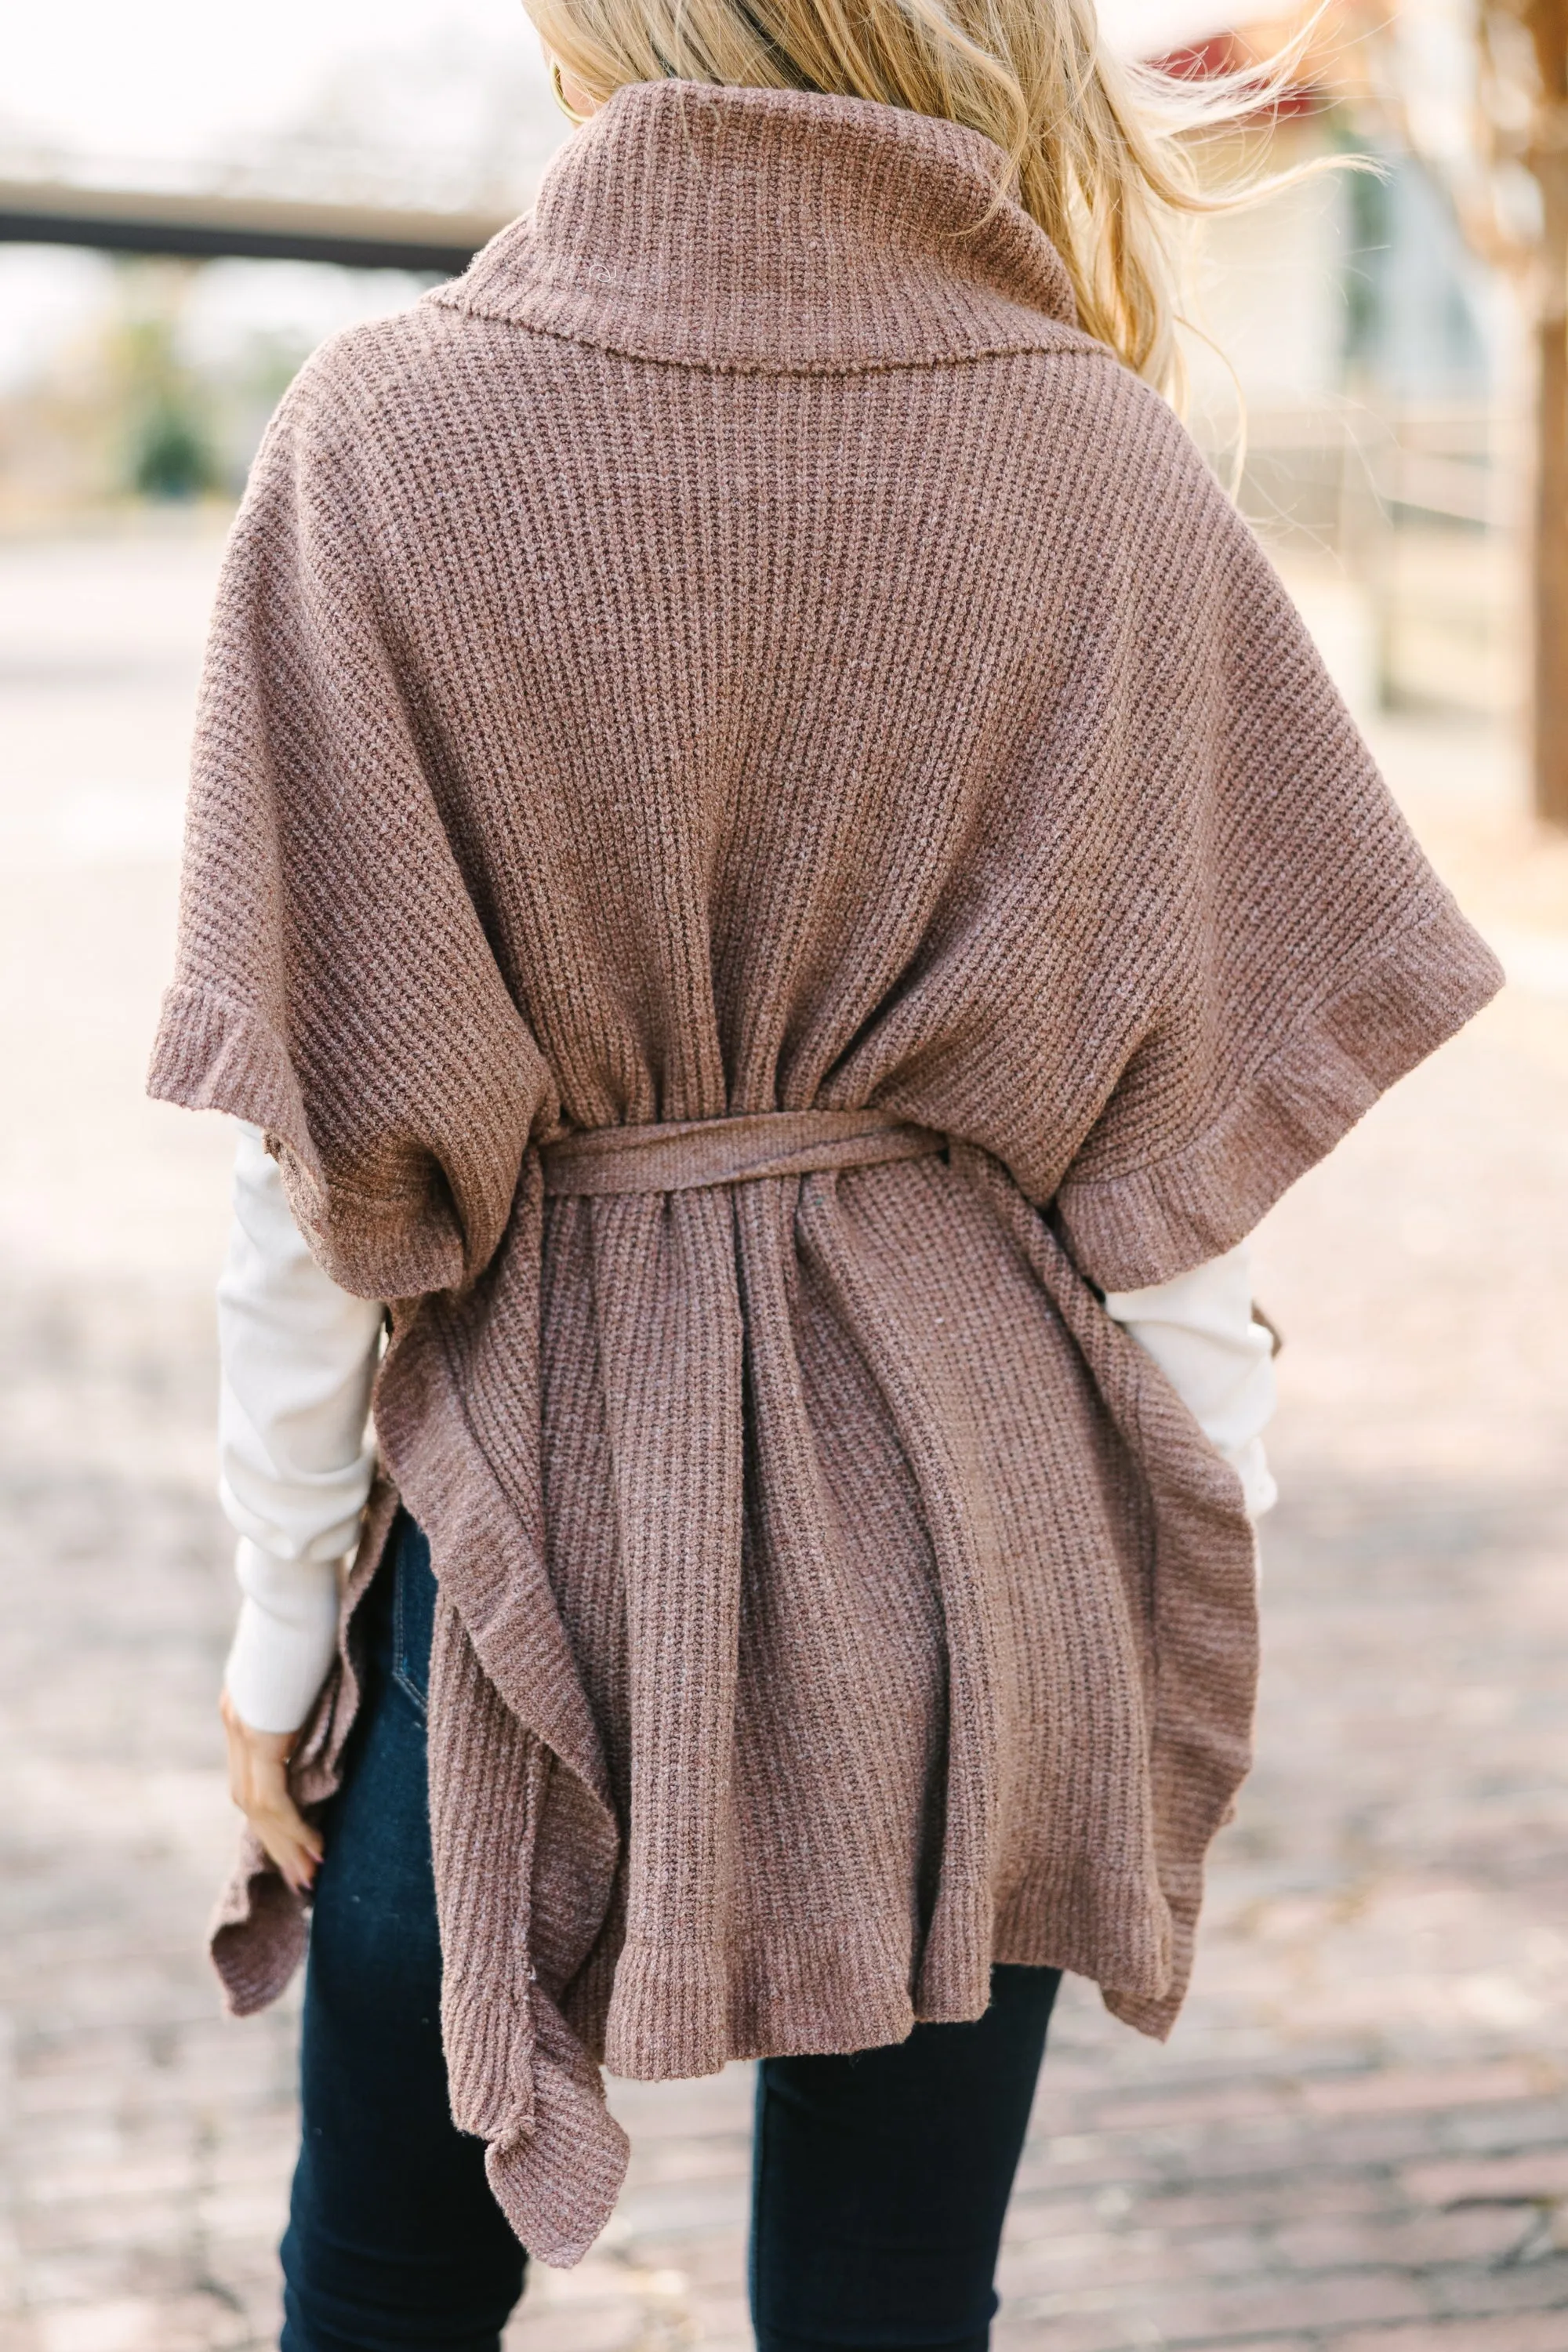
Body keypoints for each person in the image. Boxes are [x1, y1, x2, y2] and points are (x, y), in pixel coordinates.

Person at [148, 2, 1501, 2343]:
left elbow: (315, 1170)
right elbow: (1166, 1148)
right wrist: (1183, 1553)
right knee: (892, 2309)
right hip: (978, 1528)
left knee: (377, 2285)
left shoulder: (376, 436)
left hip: (514, 1544)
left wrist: (279, 1639)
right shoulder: (1093, 452)